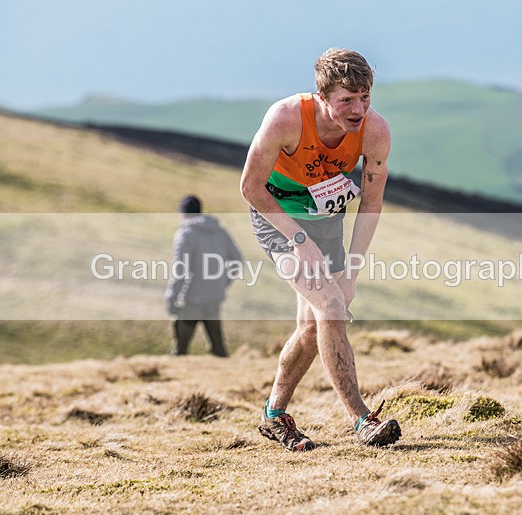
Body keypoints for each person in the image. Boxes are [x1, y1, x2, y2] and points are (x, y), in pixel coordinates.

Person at [240, 48, 401, 450]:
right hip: (278, 216)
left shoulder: (375, 132)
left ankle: (274, 415)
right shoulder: (286, 118)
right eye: (347, 99)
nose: (358, 109)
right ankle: (362, 419)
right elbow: (250, 187)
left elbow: (371, 202)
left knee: (313, 326)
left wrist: (353, 270)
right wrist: (298, 240)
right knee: (330, 307)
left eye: (365, 97)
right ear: (323, 97)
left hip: (327, 220)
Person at [165, 195, 241, 357]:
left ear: (183, 214)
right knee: (219, 350)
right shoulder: (220, 232)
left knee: (179, 352)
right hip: (214, 298)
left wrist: (171, 297)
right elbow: (237, 260)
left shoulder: (185, 234)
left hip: (191, 299)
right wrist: (222, 283)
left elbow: (180, 270)